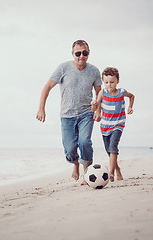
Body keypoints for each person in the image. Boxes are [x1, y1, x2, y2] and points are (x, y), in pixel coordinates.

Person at [36, 40, 102, 185]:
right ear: (72, 54)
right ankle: (75, 164)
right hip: (67, 115)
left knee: (84, 141)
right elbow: (47, 87)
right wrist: (41, 108)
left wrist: (98, 111)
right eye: (78, 53)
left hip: (86, 113)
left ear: (89, 52)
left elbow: (99, 93)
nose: (81, 56)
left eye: (85, 53)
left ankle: (87, 173)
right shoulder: (63, 68)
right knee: (70, 148)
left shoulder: (94, 71)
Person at [91, 67, 135, 182]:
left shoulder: (121, 92)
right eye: (106, 82)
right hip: (105, 125)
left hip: (118, 124)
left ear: (117, 81)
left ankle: (111, 173)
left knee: (113, 147)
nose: (109, 85)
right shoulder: (102, 92)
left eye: (112, 82)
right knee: (109, 151)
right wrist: (94, 105)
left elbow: (132, 96)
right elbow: (95, 107)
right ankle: (118, 169)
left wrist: (130, 107)